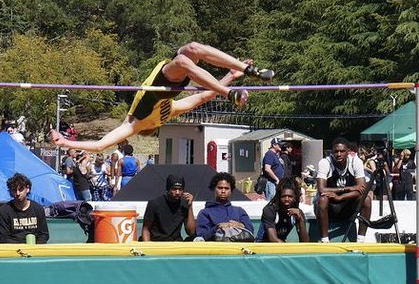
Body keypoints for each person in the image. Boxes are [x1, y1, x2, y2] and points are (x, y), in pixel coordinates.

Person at [50, 42, 273, 152]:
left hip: (167, 81)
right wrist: (227, 83)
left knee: (192, 48)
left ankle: (247, 70)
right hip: (161, 83)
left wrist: (230, 76)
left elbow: (202, 98)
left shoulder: (162, 114)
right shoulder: (136, 123)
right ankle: (232, 91)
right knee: (187, 58)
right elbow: (100, 145)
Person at [315, 137, 371, 242]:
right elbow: (321, 190)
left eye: (342, 151)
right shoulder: (325, 163)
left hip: (346, 205)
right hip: (330, 206)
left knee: (366, 199)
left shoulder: (355, 162)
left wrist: (340, 197)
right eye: (336, 151)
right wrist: (349, 188)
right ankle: (324, 240)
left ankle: (360, 240)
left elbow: (362, 189)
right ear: (332, 152)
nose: (339, 154)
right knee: (322, 199)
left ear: (348, 152)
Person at [195, 172, 254, 241]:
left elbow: (251, 232)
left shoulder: (239, 211)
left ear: (231, 190)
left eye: (226, 188)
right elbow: (202, 236)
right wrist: (218, 227)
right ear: (214, 189)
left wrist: (240, 225)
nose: (223, 191)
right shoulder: (204, 213)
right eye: (220, 188)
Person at [0, 172, 48, 244]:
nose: (17, 193)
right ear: (11, 191)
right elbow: (3, 237)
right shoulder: (4, 211)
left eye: (21, 189)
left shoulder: (38, 209)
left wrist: (34, 248)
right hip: (11, 250)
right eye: (14, 190)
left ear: (27, 189)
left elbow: (44, 234)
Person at [141, 174, 196, 242]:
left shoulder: (184, 205)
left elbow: (191, 232)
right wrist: (148, 247)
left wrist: (190, 207)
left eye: (180, 189)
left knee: (193, 239)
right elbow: (146, 229)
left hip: (176, 243)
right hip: (157, 243)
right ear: (168, 189)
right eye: (174, 189)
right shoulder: (154, 204)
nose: (177, 192)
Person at [257, 176, 309, 243]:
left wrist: (300, 220)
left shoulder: (297, 212)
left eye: (290, 197)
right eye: (283, 196)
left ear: (295, 198)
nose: (286, 199)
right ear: (279, 197)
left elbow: (305, 242)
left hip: (281, 244)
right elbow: (273, 239)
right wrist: (288, 248)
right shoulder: (269, 210)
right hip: (263, 244)